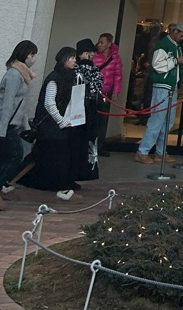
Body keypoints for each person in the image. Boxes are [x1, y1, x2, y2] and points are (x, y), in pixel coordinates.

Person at [0, 39, 37, 211]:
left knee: (2, 157)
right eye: (31, 54)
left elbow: (20, 105)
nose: (33, 58)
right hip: (4, 123)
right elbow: (8, 104)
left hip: (11, 123)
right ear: (23, 54)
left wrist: (26, 127)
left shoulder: (22, 75)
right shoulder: (14, 75)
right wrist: (2, 131)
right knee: (14, 155)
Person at [26, 47, 85, 200]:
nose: (74, 60)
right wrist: (61, 120)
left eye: (75, 58)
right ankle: (62, 188)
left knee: (52, 155)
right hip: (51, 125)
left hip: (59, 125)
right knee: (55, 156)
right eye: (71, 57)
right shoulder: (55, 77)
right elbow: (49, 102)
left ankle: (62, 185)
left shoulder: (70, 77)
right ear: (63, 59)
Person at [134, 22, 183, 164]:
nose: (182, 38)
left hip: (170, 86)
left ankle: (160, 151)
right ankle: (143, 151)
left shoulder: (175, 45)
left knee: (167, 121)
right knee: (157, 120)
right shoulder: (163, 45)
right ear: (175, 31)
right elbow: (157, 65)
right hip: (162, 87)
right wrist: (176, 61)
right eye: (182, 35)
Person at [74, 40, 105, 179]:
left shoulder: (75, 68)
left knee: (77, 137)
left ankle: (75, 167)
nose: (92, 55)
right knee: (90, 136)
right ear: (85, 53)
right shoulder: (94, 68)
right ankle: (89, 168)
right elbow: (98, 85)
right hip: (90, 106)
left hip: (77, 106)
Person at [92, 32, 123, 157]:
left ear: (109, 44)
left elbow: (118, 76)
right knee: (91, 120)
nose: (99, 45)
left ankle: (100, 147)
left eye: (102, 42)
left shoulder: (115, 57)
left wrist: (116, 91)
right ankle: (89, 146)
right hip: (93, 92)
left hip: (106, 93)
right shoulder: (94, 55)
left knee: (103, 121)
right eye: (98, 42)